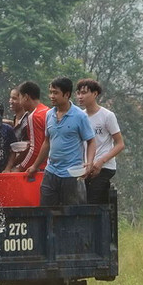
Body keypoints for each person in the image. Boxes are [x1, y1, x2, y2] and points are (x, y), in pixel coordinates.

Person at [26, 77, 97, 206]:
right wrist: (35, 166)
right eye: (50, 92)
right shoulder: (49, 115)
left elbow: (91, 141)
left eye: (55, 93)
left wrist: (89, 162)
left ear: (67, 94)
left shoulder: (80, 116)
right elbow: (47, 142)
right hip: (51, 172)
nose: (51, 96)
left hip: (71, 174)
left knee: (70, 214)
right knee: (46, 211)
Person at [76, 78, 125, 204]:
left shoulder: (107, 116)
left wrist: (101, 161)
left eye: (84, 93)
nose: (80, 96)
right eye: (78, 93)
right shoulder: (80, 116)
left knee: (93, 202)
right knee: (82, 202)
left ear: (95, 94)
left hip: (104, 167)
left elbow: (120, 144)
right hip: (86, 168)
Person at [10, 81, 50, 172]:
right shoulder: (47, 110)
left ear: (26, 97)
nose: (20, 102)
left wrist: (20, 168)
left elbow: (35, 149)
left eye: (19, 98)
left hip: (40, 167)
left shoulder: (34, 116)